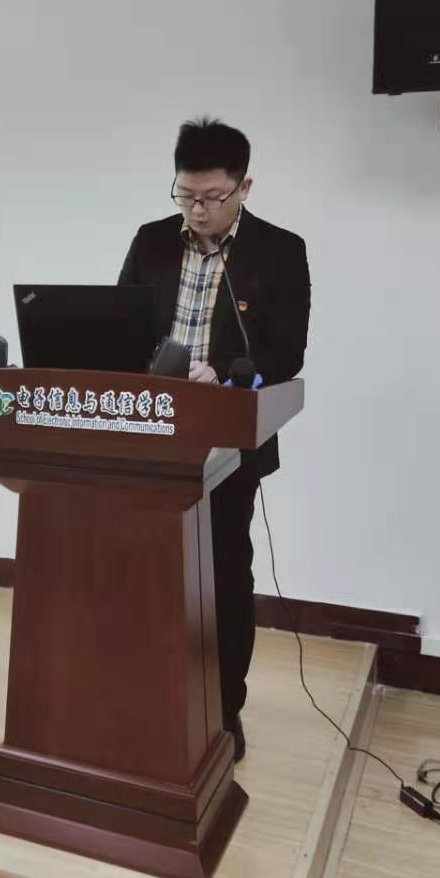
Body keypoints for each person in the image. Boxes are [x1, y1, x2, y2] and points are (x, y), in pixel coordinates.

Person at [118, 117, 311, 761]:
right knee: (145, 572)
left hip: (227, 438)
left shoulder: (280, 252)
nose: (197, 209)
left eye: (211, 197)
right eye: (186, 195)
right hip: (151, 432)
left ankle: (224, 710)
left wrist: (226, 373)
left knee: (224, 571)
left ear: (243, 187)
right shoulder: (151, 241)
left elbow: (285, 353)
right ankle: (148, 696)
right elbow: (119, 326)